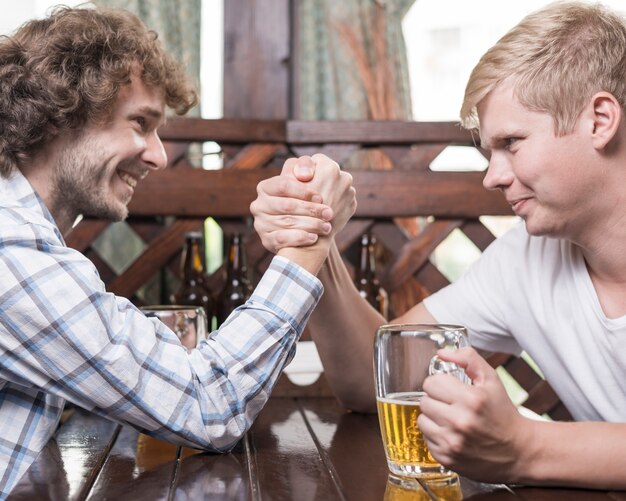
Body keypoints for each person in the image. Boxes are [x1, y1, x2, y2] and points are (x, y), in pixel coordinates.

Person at [250, 1, 626, 490]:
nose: (493, 176)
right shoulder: (525, 261)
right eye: (489, 151)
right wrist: (314, 243)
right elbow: (374, 378)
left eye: (511, 142)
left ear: (600, 120)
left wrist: (524, 448)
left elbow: (521, 448)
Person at [0, 6, 356, 498]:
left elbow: (157, 371)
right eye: (140, 123)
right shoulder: (10, 250)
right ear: (61, 113)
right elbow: (208, 404)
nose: (159, 155)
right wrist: (310, 238)